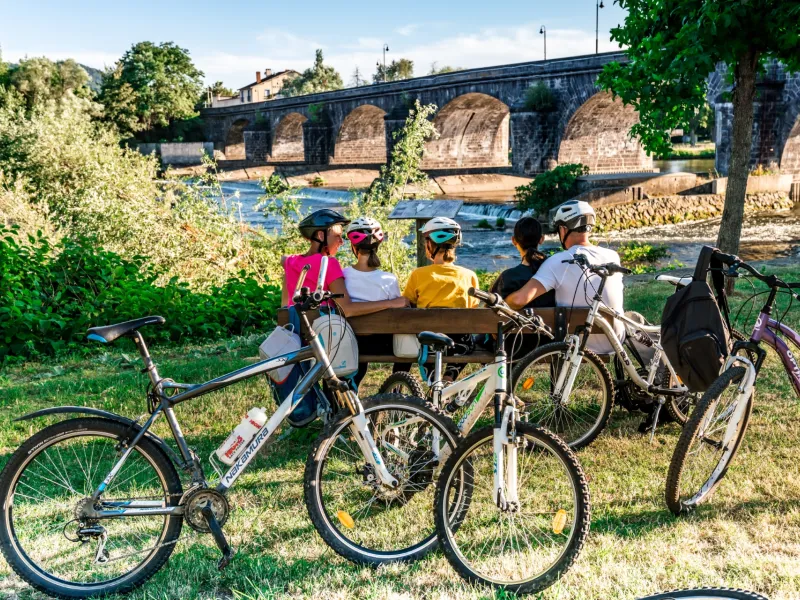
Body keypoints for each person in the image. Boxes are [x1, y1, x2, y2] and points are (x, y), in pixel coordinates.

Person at [506, 200, 624, 354]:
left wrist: (503, 300)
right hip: (614, 339)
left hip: (577, 343)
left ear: (563, 229)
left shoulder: (557, 261)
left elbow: (519, 300)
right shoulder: (612, 256)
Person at [281, 209, 408, 316]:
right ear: (320, 236)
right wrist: (391, 303)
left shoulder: (289, 262)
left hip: (297, 331)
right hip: (324, 333)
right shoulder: (328, 263)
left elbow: (285, 306)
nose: (341, 242)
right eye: (337, 236)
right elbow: (346, 309)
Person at [403, 217, 479, 380]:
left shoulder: (418, 275)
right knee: (465, 340)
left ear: (430, 245)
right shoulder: (469, 276)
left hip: (427, 343)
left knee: (425, 336)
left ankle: (433, 378)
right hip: (459, 345)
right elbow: (473, 308)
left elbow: (408, 303)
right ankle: (449, 376)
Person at [342, 217, 411, 388]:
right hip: (382, 344)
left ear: (353, 246)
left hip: (352, 343)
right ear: (377, 246)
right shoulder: (388, 279)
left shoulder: (342, 276)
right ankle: (395, 388)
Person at [489, 216, 555, 358]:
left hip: (512, 346)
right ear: (542, 239)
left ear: (514, 241)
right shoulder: (553, 273)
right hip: (547, 344)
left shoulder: (508, 277)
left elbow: (490, 317)